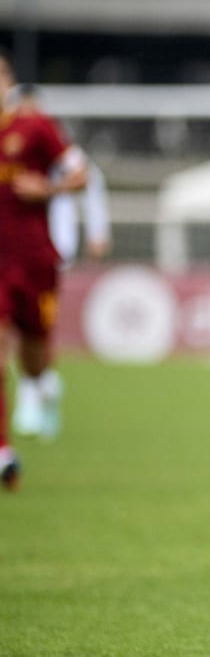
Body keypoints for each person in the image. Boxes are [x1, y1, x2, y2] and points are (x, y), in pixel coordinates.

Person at [0, 49, 88, 477]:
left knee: (34, 359)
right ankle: (3, 451)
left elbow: (80, 173)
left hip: (34, 261)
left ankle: (44, 386)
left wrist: (48, 190)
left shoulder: (34, 127)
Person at [12, 83, 112, 442]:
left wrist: (98, 232)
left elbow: (91, 181)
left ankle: (42, 388)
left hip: (49, 256)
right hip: (9, 257)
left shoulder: (58, 152)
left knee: (35, 333)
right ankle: (29, 398)